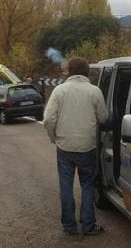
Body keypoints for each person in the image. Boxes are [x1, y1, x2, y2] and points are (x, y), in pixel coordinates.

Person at [43, 57, 108, 236]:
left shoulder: (59, 91)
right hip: (87, 147)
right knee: (87, 185)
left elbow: (48, 119)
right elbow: (103, 118)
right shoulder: (95, 92)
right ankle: (88, 225)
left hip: (65, 146)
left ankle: (69, 226)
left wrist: (53, 137)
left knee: (66, 185)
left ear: (69, 71)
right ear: (87, 71)